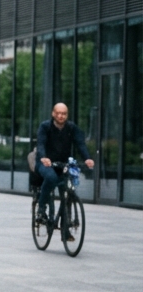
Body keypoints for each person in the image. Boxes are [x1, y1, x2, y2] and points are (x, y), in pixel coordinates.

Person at [35, 102, 94, 238]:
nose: (61, 116)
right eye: (58, 113)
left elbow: (80, 144)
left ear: (67, 115)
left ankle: (65, 229)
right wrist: (43, 157)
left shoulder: (71, 128)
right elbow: (41, 143)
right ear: (53, 114)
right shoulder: (45, 127)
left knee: (67, 191)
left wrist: (87, 158)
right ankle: (41, 208)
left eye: (64, 114)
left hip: (63, 164)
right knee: (51, 178)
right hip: (46, 163)